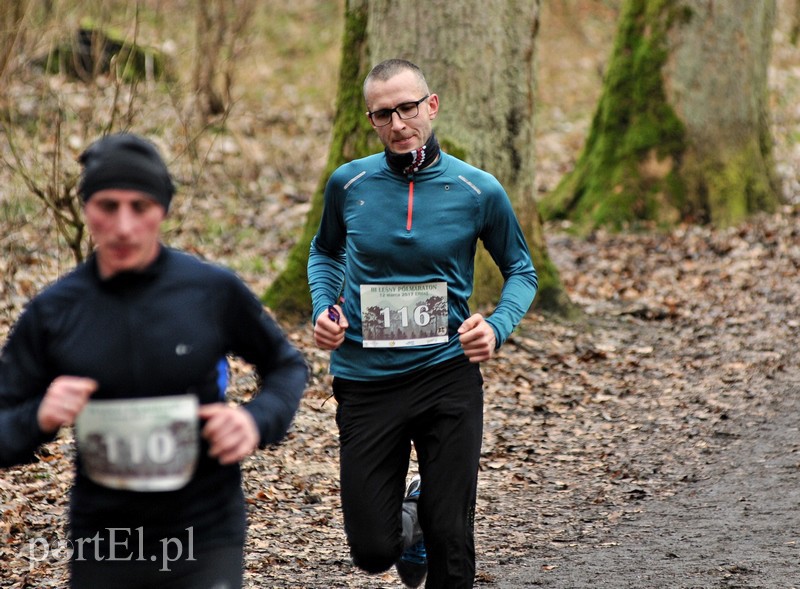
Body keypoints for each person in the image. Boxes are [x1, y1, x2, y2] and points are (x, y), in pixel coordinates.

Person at [0, 133, 308, 589]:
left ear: (162, 210)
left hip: (205, 532)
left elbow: (287, 365)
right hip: (104, 540)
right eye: (107, 206)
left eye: (140, 207)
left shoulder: (210, 292)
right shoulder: (55, 311)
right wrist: (39, 416)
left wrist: (255, 421)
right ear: (86, 209)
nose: (123, 227)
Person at [308, 59, 538, 588]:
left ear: (430, 106)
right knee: (371, 549)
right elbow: (324, 253)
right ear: (371, 119)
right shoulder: (350, 184)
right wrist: (324, 308)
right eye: (383, 114)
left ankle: (431, 520)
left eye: (407, 108)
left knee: (452, 539)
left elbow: (521, 270)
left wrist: (497, 328)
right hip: (367, 380)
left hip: (446, 376)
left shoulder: (478, 190)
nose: (397, 123)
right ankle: (411, 516)